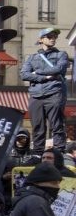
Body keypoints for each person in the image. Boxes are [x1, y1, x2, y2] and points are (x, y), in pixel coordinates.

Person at [22, 28, 71, 156]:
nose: (53, 38)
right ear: (41, 39)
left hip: (54, 93)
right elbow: (24, 74)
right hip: (36, 96)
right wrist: (43, 77)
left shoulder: (61, 55)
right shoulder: (32, 57)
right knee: (38, 127)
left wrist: (37, 72)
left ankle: (59, 154)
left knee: (57, 126)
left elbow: (59, 68)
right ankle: (37, 154)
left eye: (54, 36)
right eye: (49, 36)